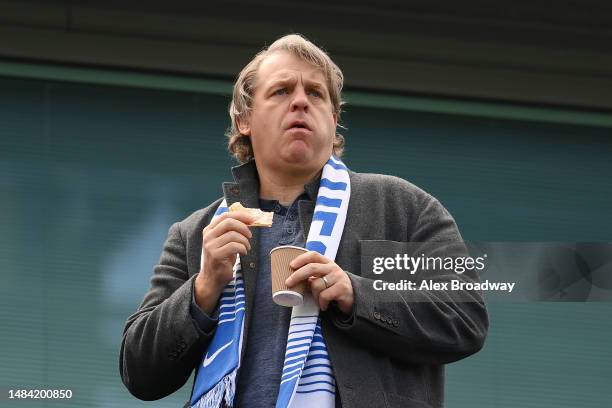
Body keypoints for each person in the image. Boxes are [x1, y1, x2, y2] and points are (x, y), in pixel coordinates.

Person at [119, 34, 488, 408]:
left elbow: (463, 318)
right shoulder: (196, 235)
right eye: (281, 91)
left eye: (315, 93)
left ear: (332, 118)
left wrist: (354, 295)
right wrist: (203, 289)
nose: (300, 101)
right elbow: (140, 373)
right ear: (245, 119)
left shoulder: (404, 207)